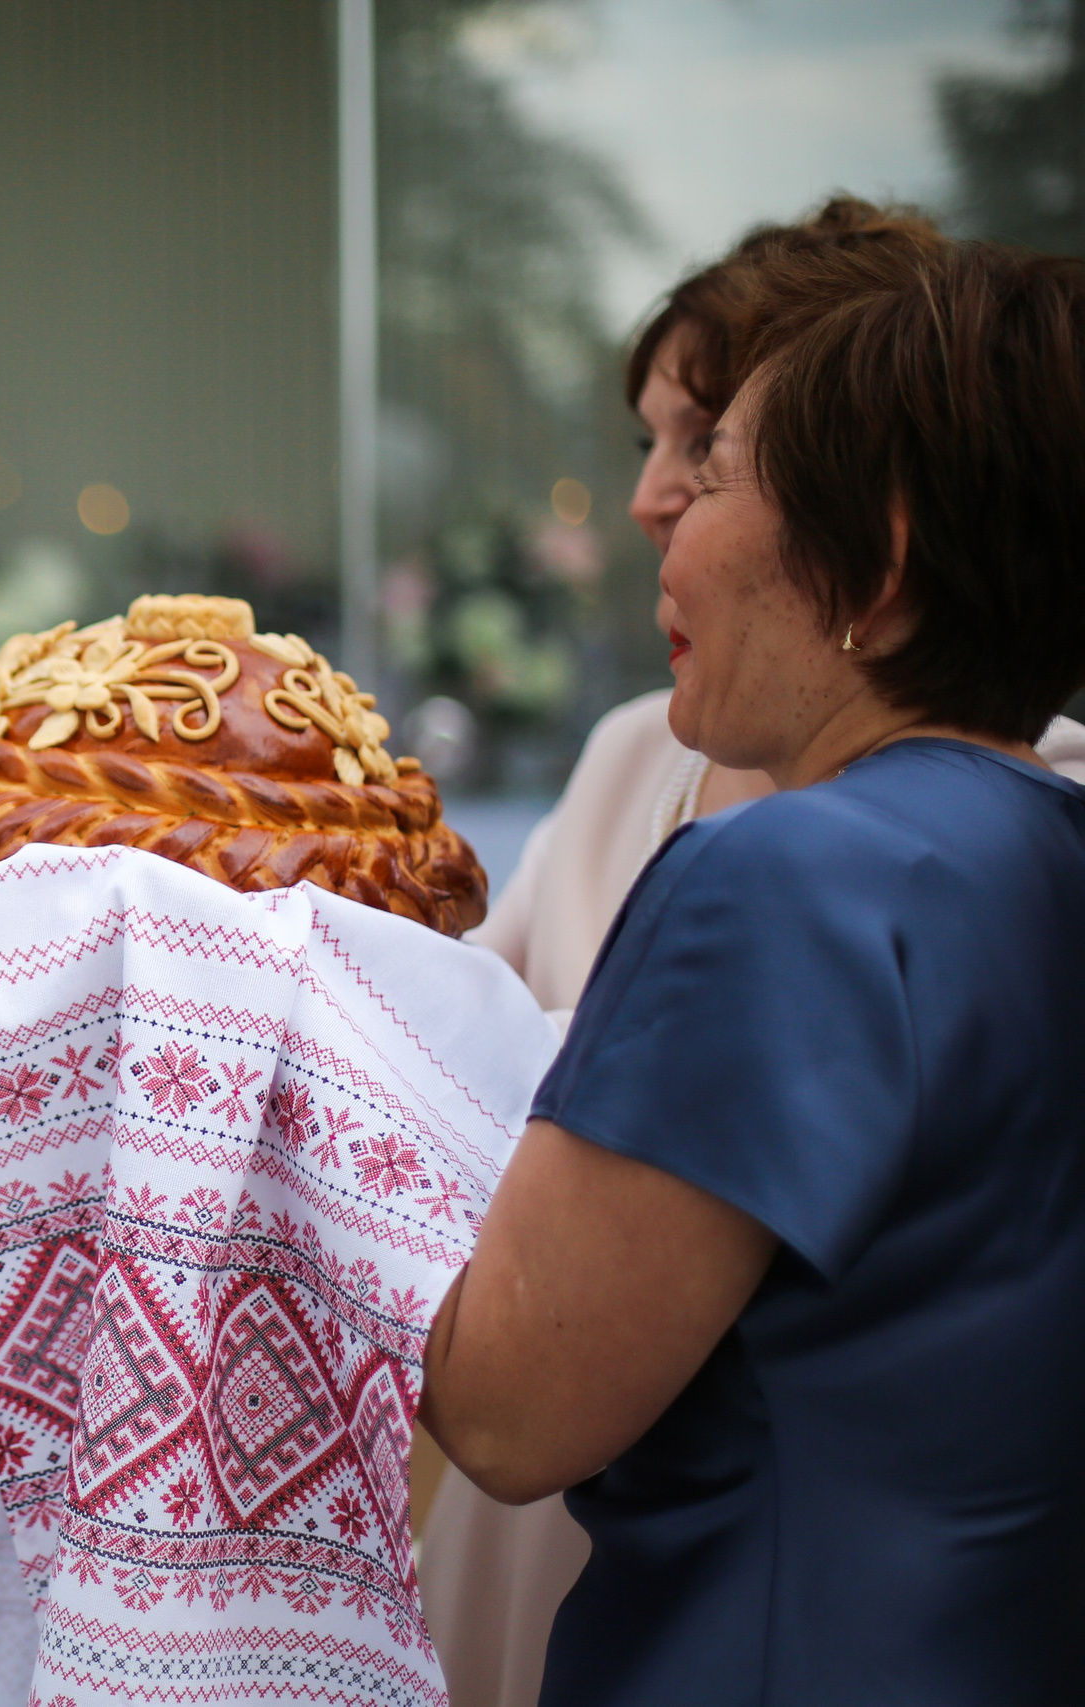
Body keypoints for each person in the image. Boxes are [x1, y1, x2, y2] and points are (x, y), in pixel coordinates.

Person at [424, 196, 1085, 1707]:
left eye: (714, 467)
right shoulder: (1044, 842)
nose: (661, 516)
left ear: (881, 562)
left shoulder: (776, 877)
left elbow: (512, 1413)